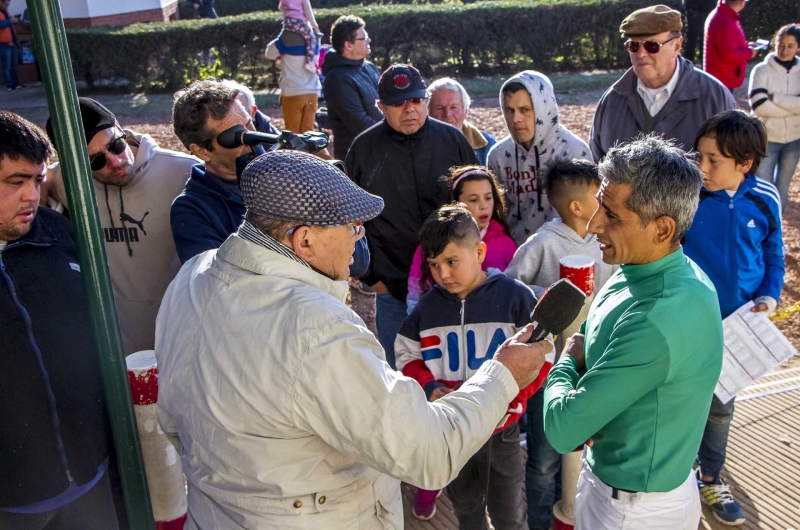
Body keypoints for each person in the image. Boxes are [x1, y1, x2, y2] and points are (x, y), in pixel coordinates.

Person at [154, 150, 552, 530]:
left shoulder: (192, 276)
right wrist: (502, 374)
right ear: (305, 240)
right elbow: (430, 452)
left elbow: (172, 420)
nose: (359, 239)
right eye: (350, 226)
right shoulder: (318, 330)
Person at [543, 135, 724, 530]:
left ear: (662, 228)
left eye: (611, 215)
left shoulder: (657, 317)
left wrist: (565, 365)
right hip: (621, 493)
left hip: (633, 512)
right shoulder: (645, 271)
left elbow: (561, 428)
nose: (593, 226)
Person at [0, 110, 118, 529]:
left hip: (93, 480)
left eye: (37, 179)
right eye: (16, 182)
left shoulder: (59, 231)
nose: (32, 195)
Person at [395, 204, 540, 527]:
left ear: (479, 251)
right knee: (466, 508)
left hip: (501, 432)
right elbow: (406, 354)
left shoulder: (516, 297)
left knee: (509, 515)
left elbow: (541, 355)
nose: (443, 274)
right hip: (452, 429)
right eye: (434, 265)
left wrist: (514, 397)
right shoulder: (427, 308)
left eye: (451, 262)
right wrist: (429, 387)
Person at [683, 110, 784, 526]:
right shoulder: (688, 197)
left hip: (739, 330)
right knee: (682, 400)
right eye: (700, 156)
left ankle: (710, 476)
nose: (702, 167)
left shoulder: (765, 199)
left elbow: (773, 254)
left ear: (745, 163)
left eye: (713, 160)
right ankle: (679, 472)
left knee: (721, 408)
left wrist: (769, 297)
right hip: (687, 324)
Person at [504, 159, 616, 530]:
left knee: (581, 452)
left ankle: (572, 513)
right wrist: (551, 298)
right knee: (545, 459)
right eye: (598, 194)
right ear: (577, 206)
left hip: (592, 365)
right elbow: (512, 291)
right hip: (547, 369)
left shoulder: (607, 243)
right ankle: (539, 521)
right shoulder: (542, 243)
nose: (604, 201)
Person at [346, 63, 478, 368]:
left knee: (456, 369)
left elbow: (479, 203)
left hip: (452, 282)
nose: (410, 110)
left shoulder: (452, 140)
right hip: (392, 284)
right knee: (403, 371)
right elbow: (350, 218)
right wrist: (371, 275)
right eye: (398, 103)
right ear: (380, 107)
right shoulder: (363, 149)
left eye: (416, 101)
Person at [45, 98, 200, 356]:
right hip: (115, 347)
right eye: (95, 161)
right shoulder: (65, 182)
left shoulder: (185, 171)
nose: (115, 162)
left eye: (116, 145)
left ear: (120, 128)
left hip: (182, 337)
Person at [171, 79, 368, 273]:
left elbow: (358, 261)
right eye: (236, 137)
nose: (251, 139)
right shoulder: (191, 210)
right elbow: (219, 286)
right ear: (202, 151)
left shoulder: (288, 176)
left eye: (250, 124)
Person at [590, 4, 736, 160]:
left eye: (651, 46)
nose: (641, 54)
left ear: (677, 45)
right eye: (633, 46)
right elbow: (596, 167)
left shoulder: (714, 97)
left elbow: (734, 168)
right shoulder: (612, 101)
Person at [487, 71, 591, 245]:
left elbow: (588, 214)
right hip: (515, 255)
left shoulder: (575, 152)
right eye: (509, 110)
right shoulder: (498, 156)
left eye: (525, 110)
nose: (516, 119)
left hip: (563, 252)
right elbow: (494, 215)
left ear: (544, 109)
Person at [406, 165, 516, 312]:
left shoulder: (506, 244)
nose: (484, 206)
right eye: (473, 200)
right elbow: (415, 296)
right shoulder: (432, 243)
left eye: (488, 198)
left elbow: (513, 295)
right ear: (455, 202)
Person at [750, 23, 800, 209]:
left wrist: (776, 98)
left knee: (783, 187)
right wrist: (794, 104)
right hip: (768, 137)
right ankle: (759, 227)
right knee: (762, 186)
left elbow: (768, 102)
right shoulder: (761, 70)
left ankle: (775, 227)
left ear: (798, 47)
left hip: (794, 139)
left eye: (790, 46)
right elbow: (759, 106)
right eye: (780, 44)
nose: (784, 50)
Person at [321, 15, 383, 160]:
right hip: (357, 159)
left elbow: (388, 102)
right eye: (364, 37)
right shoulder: (337, 78)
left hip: (381, 151)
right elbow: (359, 122)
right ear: (348, 44)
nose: (369, 40)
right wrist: (394, 134)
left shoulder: (369, 67)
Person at [428, 77, 497, 165]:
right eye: (439, 108)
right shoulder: (417, 147)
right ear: (427, 113)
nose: (447, 114)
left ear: (465, 112)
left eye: (454, 107)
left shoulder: (488, 146)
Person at [265, 28, 321, 134]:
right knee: (309, 134)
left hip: (293, 92)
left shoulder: (288, 36)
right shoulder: (314, 34)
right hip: (312, 92)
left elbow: (269, 52)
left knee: (293, 135)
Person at [703, 0, 758, 90]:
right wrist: (749, 53)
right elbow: (728, 54)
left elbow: (729, 42)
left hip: (722, 77)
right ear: (741, 3)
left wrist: (746, 46)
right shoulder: (725, 20)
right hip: (722, 79)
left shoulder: (725, 15)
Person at [279, 0, 319, 72]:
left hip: (287, 22)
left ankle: (279, 57)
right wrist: (314, 24)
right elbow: (307, 11)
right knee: (311, 39)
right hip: (299, 22)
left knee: (284, 38)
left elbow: (281, 8)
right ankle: (310, 63)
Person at [0, 0, 22, 91]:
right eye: (5, 5)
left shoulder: (6, 12)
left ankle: (16, 83)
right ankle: (10, 85)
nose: (7, 7)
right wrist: (10, 21)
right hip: (3, 43)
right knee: (6, 66)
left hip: (12, 41)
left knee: (13, 65)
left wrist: (14, 20)